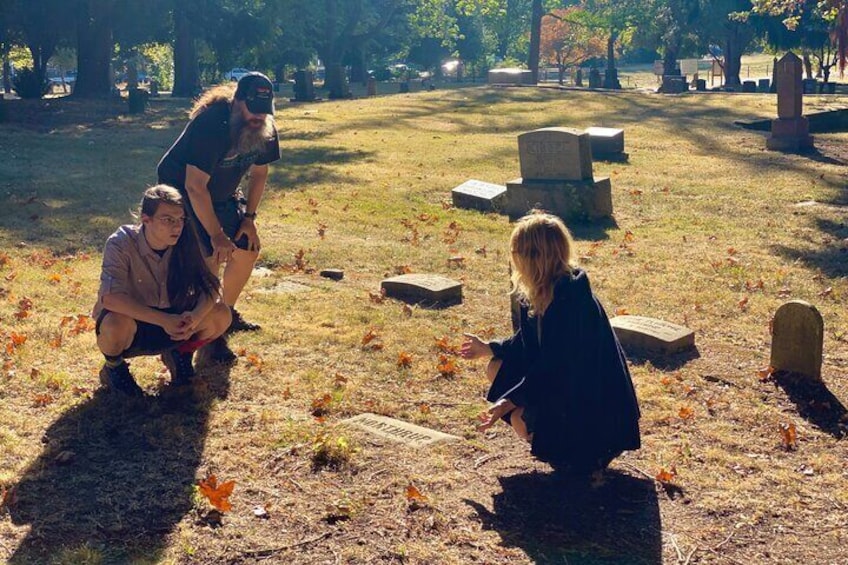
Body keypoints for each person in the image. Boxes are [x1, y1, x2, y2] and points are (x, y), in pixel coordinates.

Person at [461, 212, 641, 475]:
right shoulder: (537, 291)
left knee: (520, 418)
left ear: (536, 256)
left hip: (593, 404)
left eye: (516, 253)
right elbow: (527, 343)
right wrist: (488, 348)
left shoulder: (571, 297)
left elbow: (555, 367)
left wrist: (507, 401)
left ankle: (577, 456)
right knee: (496, 366)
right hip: (563, 384)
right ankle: (560, 444)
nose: (514, 261)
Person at [157, 72, 281, 360]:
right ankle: (202, 338)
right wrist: (216, 235)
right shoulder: (212, 123)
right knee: (211, 258)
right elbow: (194, 186)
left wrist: (249, 219)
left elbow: (260, 173)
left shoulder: (265, 125)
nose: (258, 117)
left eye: (265, 111)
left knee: (246, 250)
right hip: (181, 196)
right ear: (237, 102)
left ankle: (224, 314)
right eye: (253, 109)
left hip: (221, 196)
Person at [94, 185, 232, 396]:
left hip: (176, 319)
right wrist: (163, 320)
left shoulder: (188, 239)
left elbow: (212, 288)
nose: (176, 227)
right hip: (135, 321)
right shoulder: (120, 242)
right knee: (114, 324)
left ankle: (180, 355)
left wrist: (194, 318)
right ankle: (114, 368)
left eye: (180, 219)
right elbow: (110, 299)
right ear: (145, 219)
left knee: (221, 314)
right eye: (167, 220)